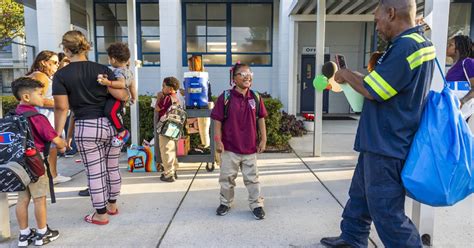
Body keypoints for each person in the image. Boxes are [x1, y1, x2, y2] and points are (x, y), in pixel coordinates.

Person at [320, 0, 435, 247]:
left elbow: (375, 90)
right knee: (360, 196)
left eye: (377, 20)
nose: (377, 27)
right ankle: (352, 238)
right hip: (380, 139)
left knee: (386, 210)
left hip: (387, 143)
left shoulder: (406, 47)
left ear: (391, 13)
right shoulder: (416, 44)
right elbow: (384, 83)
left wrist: (346, 74)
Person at [53, 30, 129, 225]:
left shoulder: (62, 74)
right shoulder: (102, 69)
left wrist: (59, 136)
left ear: (67, 49)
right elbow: (123, 95)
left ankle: (100, 215)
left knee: (95, 172)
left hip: (87, 126)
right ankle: (112, 206)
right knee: (112, 167)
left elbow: (62, 108)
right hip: (111, 126)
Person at [12, 77, 67, 246]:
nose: (43, 98)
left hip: (17, 164)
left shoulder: (13, 115)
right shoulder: (36, 116)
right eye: (40, 94)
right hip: (35, 163)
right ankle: (43, 233)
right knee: (39, 198)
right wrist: (63, 145)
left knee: (22, 200)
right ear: (26, 97)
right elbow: (55, 139)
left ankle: (24, 234)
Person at [210, 63, 267, 220]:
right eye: (242, 74)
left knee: (252, 179)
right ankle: (225, 202)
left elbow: (261, 118)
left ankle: (256, 204)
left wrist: (263, 139)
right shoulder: (226, 97)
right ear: (234, 79)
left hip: (250, 148)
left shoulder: (256, 97)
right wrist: (218, 140)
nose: (247, 76)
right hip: (230, 148)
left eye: (249, 73)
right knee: (226, 179)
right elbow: (217, 120)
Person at [26, 50, 72, 185]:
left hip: (47, 116)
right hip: (44, 116)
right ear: (44, 62)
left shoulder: (42, 75)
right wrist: (62, 103)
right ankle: (52, 175)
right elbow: (39, 99)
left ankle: (52, 174)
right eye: (54, 63)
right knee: (50, 147)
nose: (57, 65)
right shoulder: (40, 76)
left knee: (51, 147)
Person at [97, 42, 137, 147]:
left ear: (113, 59)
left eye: (109, 59)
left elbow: (121, 83)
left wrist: (107, 83)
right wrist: (134, 97)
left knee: (110, 112)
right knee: (112, 112)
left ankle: (122, 132)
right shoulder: (129, 71)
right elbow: (132, 86)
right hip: (122, 99)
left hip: (117, 99)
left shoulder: (118, 71)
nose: (109, 61)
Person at [155, 77, 181, 182]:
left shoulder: (167, 98)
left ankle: (168, 174)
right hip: (173, 127)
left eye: (163, 86)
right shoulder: (176, 98)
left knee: (166, 150)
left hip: (165, 128)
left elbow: (157, 108)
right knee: (172, 149)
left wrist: (158, 98)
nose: (162, 88)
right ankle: (174, 170)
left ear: (170, 89)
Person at [446, 35, 474, 106]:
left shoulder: (468, 62)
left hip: (462, 107)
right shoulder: (453, 67)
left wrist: (462, 101)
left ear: (459, 47)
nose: (447, 47)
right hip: (453, 105)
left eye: (450, 45)